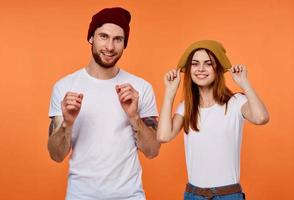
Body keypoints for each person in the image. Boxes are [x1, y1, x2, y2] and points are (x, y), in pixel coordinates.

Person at [47, 7, 160, 200]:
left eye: (118, 39)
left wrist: (133, 117)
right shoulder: (65, 87)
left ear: (125, 44)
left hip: (129, 195)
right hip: (80, 195)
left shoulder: (141, 88)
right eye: (103, 36)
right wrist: (67, 123)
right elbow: (56, 155)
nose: (110, 46)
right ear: (91, 38)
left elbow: (152, 151)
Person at [157, 40, 269, 200]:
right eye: (195, 64)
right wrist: (169, 92)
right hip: (193, 195)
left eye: (208, 63)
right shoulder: (187, 107)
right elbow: (163, 136)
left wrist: (245, 83)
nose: (201, 69)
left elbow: (261, 118)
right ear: (189, 70)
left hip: (228, 195)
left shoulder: (236, 102)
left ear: (218, 69)